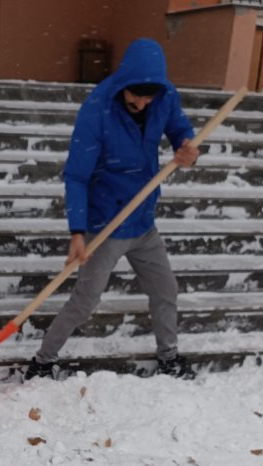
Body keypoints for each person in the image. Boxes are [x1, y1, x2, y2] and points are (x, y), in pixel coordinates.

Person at [26, 37, 199, 381]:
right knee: (85, 301)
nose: (142, 102)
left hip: (143, 220)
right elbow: (76, 176)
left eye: (149, 96)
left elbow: (180, 127)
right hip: (104, 223)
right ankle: (42, 361)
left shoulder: (163, 96)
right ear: (123, 83)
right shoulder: (97, 110)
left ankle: (169, 357)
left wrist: (186, 147)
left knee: (165, 290)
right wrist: (77, 231)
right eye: (136, 94)